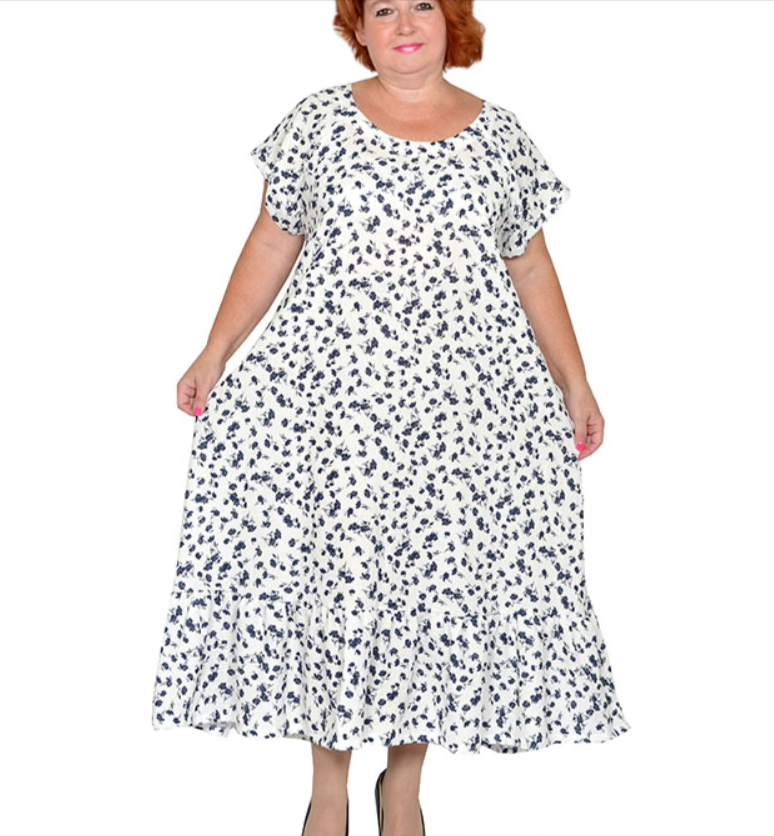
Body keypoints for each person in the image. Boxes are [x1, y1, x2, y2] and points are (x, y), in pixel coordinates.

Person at [151, 1, 632, 835]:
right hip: (335, 408)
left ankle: (403, 787)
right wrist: (214, 351)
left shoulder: (501, 135)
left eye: (422, 5)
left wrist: (575, 380)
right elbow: (271, 240)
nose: (404, 22)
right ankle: (328, 787)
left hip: (461, 414)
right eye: (383, 7)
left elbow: (530, 263)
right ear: (360, 29)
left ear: (452, 23)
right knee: (338, 583)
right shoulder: (318, 122)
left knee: (432, 592)